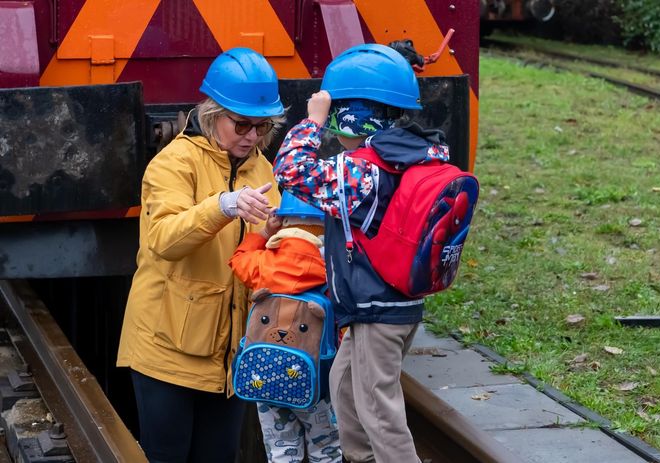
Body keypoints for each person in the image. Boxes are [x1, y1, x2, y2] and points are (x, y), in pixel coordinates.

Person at [273, 44, 450, 463]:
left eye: (335, 110)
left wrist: (312, 122)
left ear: (351, 114)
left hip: (377, 309)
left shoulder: (362, 169)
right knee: (346, 387)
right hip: (393, 303)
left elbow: (291, 169)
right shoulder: (414, 155)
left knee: (379, 411)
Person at [116, 47, 285, 463]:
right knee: (167, 455)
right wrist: (222, 206)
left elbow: (259, 253)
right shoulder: (173, 164)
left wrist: (279, 234)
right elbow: (164, 240)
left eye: (262, 127)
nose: (252, 137)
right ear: (212, 114)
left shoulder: (261, 168)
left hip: (230, 353)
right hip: (167, 350)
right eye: (242, 124)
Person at [228, 191, 342, 462]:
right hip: (316, 380)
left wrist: (264, 233)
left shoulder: (264, 265)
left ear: (284, 222)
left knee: (281, 450)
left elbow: (238, 258)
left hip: (265, 377)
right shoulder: (333, 269)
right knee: (325, 449)